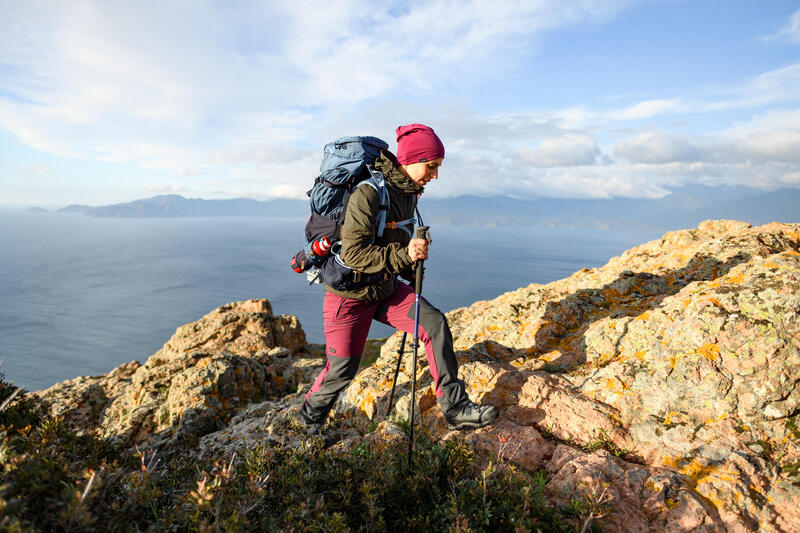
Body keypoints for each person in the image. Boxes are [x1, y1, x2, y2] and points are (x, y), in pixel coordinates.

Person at [300, 124, 499, 435]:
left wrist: (410, 265)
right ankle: (309, 423)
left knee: (434, 324)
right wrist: (406, 255)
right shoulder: (368, 192)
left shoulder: (408, 194)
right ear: (411, 159)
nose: (435, 175)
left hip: (385, 289)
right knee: (341, 370)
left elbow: (394, 241)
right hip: (349, 297)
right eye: (431, 166)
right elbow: (353, 254)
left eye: (438, 168)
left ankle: (455, 407)